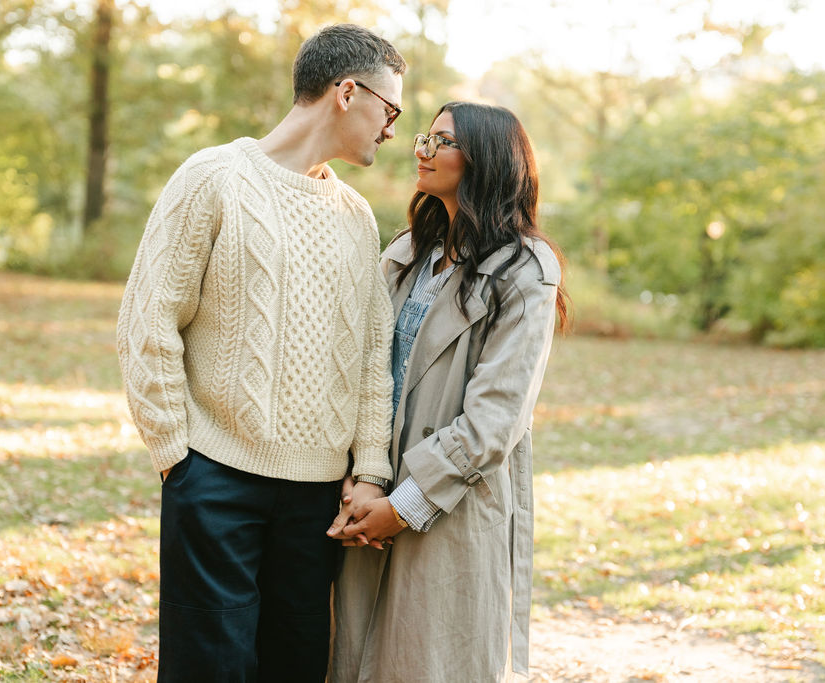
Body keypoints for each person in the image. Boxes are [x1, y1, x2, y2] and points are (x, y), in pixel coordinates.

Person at [116, 24, 406, 682]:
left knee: (295, 667)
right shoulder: (212, 178)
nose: (392, 129)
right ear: (346, 93)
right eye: (389, 110)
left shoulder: (357, 216)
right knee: (209, 669)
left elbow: (371, 357)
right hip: (213, 479)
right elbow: (149, 319)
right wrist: (177, 457)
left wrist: (369, 470)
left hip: (317, 504)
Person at [327, 102, 571, 682]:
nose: (422, 150)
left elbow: (495, 422)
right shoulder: (406, 253)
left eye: (443, 142)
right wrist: (362, 476)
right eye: (425, 137)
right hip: (366, 492)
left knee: (429, 664)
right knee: (348, 661)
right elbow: (361, 368)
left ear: (486, 160)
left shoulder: (524, 271)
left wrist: (402, 509)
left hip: (448, 505)